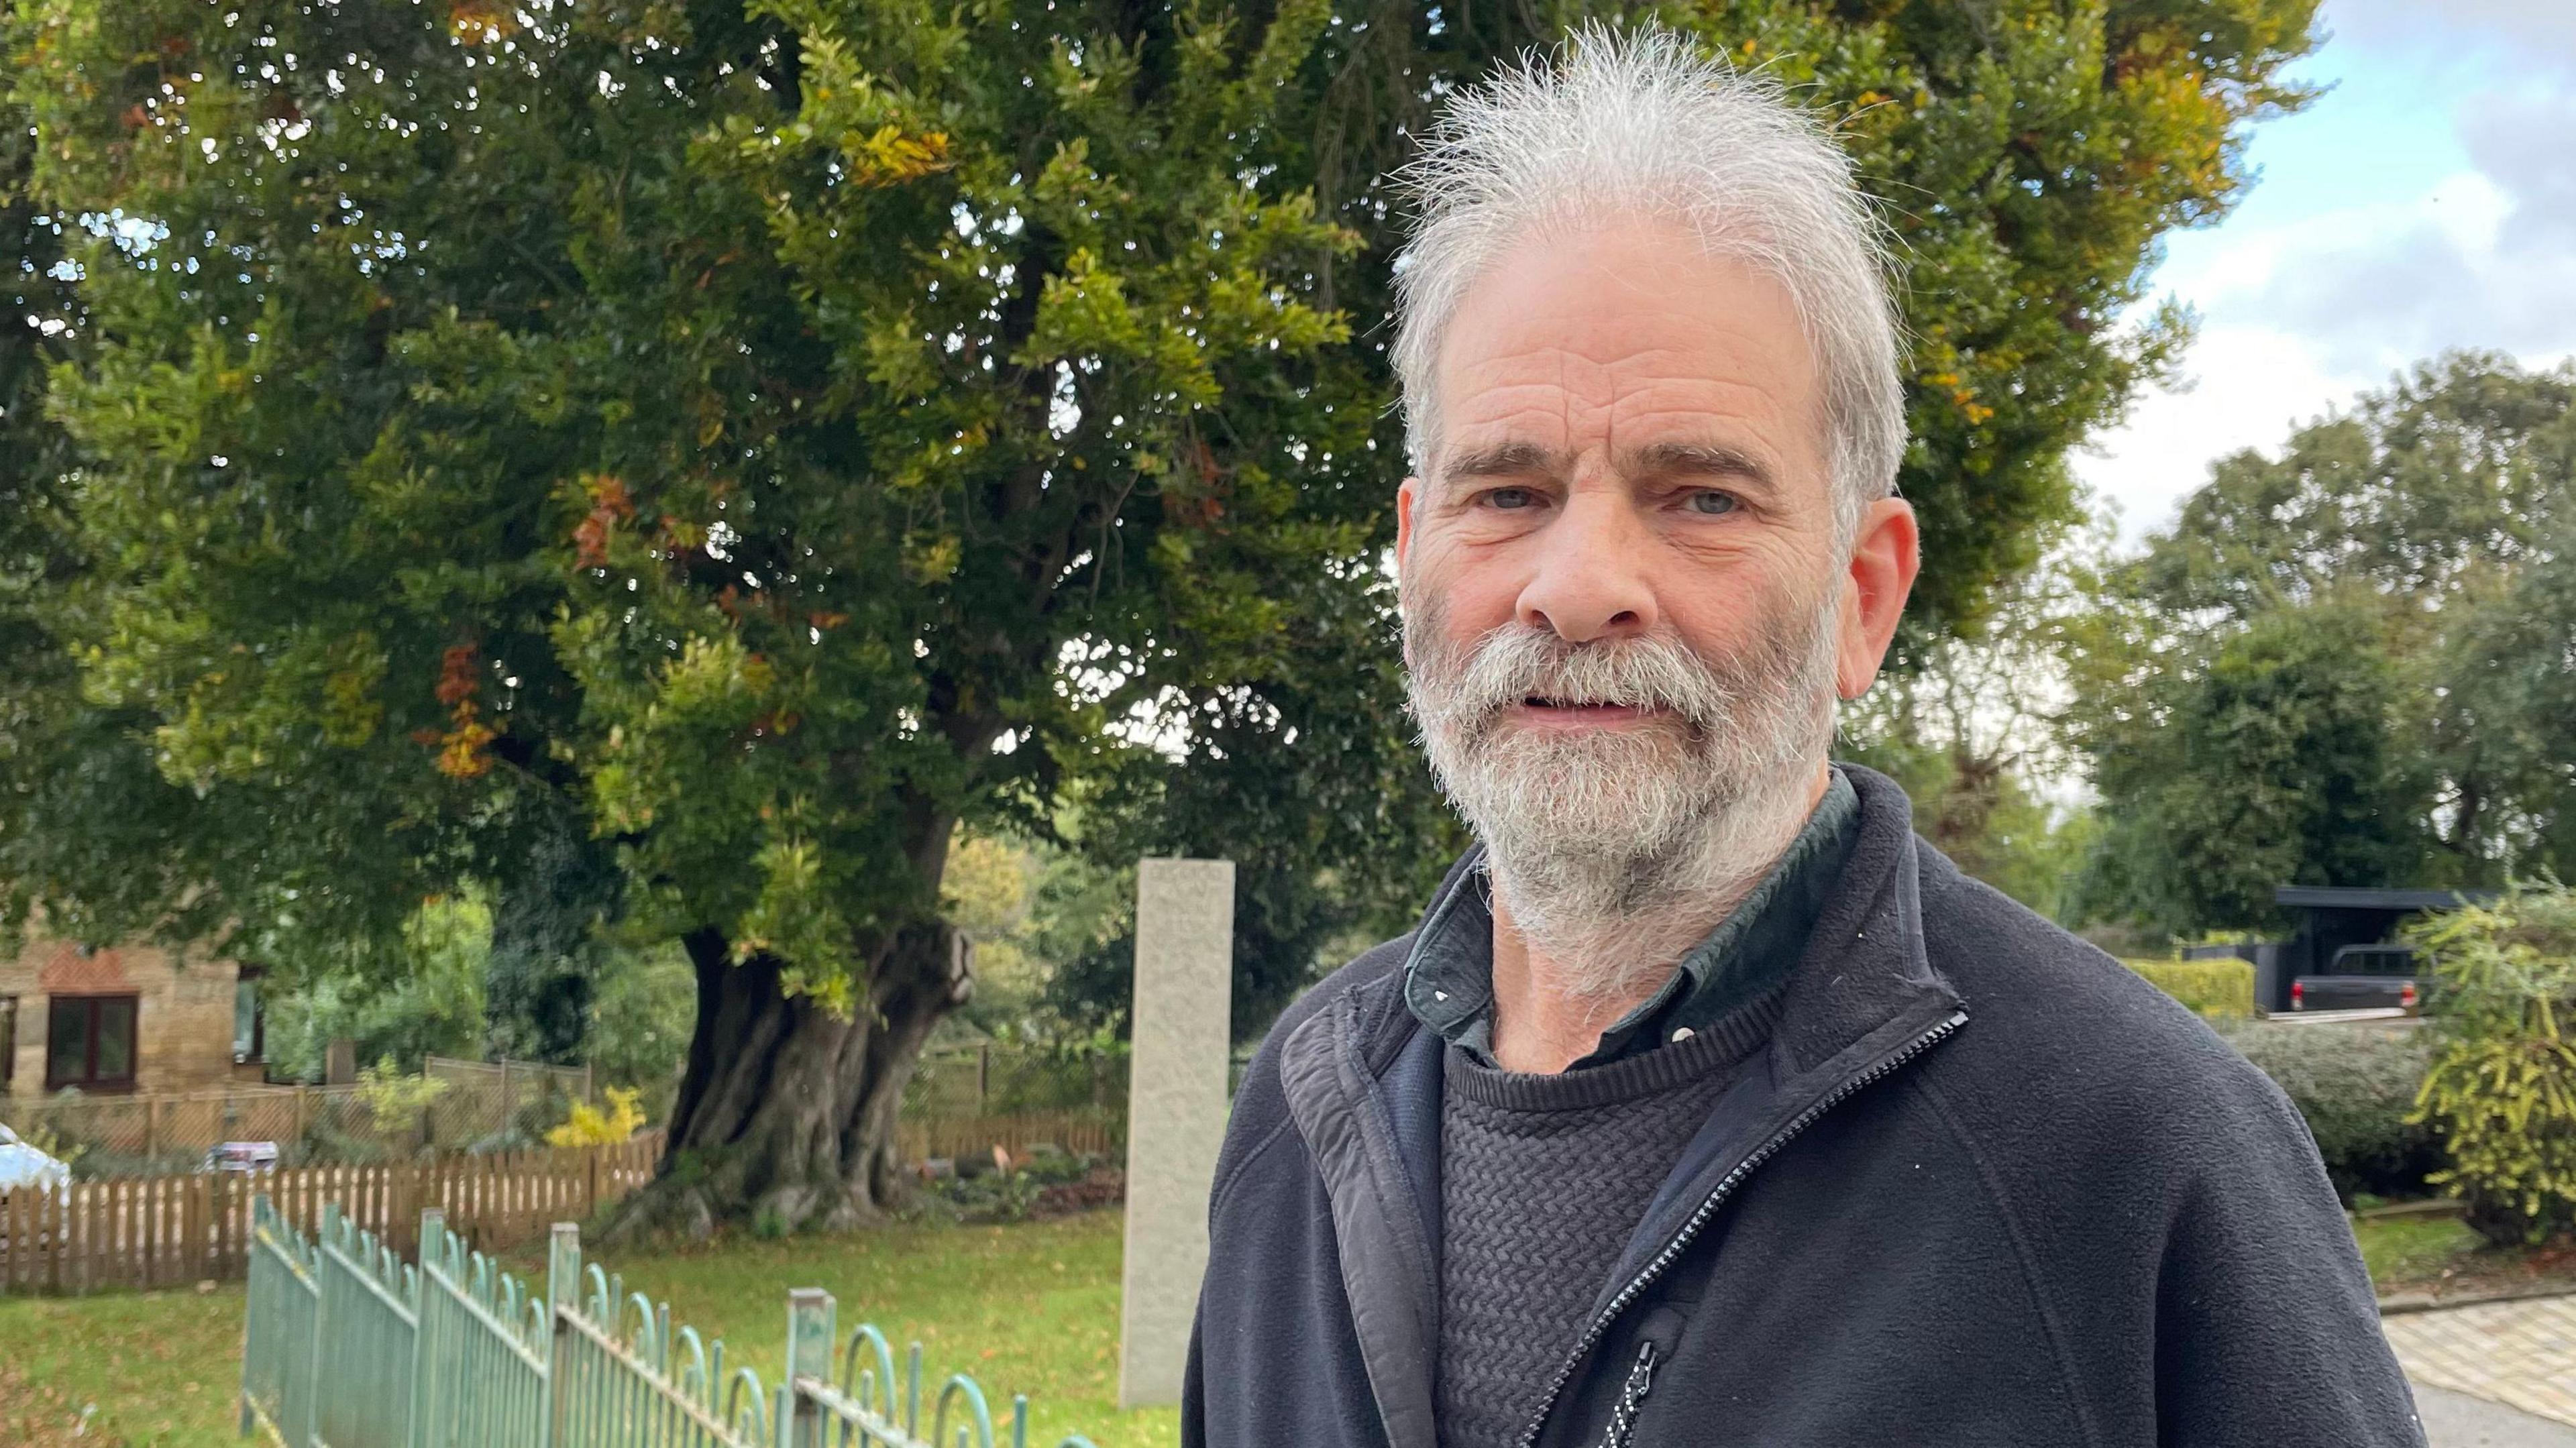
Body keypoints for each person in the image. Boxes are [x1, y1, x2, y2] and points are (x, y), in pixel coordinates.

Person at [1181, 25, 2425, 1448]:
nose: (1579, 586)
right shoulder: (1300, 1106)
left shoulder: (2138, 1161)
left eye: (1700, 496)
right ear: (1414, 556)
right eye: (1508, 492)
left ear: (1862, 594)